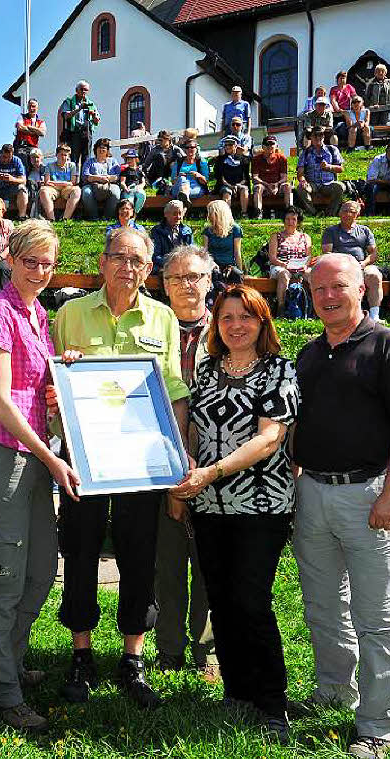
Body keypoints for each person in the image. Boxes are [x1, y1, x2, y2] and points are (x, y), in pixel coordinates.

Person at [290, 253, 390, 759]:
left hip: (371, 495)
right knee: (324, 606)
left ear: (363, 288)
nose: (328, 296)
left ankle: (377, 723)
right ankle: (333, 690)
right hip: (314, 496)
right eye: (318, 287)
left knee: (378, 615)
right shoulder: (309, 354)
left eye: (338, 286)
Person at [52, 227, 189, 709]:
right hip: (84, 462)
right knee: (81, 550)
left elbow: (173, 389)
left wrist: (177, 453)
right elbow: (52, 387)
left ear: (148, 268)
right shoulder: (69, 314)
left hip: (140, 462)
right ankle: (81, 653)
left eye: (137, 260)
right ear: (102, 261)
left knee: (138, 556)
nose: (127, 267)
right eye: (118, 257)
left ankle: (133, 655)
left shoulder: (163, 318)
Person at [170, 284, 299, 744]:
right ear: (216, 325)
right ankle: (238, 690)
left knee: (251, 600)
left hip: (261, 504)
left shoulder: (279, 371)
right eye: (226, 318)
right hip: (208, 506)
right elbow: (189, 428)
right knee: (221, 599)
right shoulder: (205, 371)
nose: (236, 325)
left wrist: (213, 472)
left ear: (263, 321)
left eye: (246, 316)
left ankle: (272, 701)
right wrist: (186, 470)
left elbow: (270, 439)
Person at [0, 219, 77, 734]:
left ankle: (7, 662)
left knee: (40, 569)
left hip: (37, 453)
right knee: (5, 574)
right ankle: (0, 690)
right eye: (30, 260)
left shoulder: (39, 314)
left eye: (47, 263)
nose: (39, 270)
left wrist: (65, 380)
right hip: (4, 452)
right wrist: (50, 455)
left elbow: (38, 391)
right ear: (10, 259)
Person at [154, 245, 216, 679]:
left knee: (211, 559)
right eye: (176, 278)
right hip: (159, 458)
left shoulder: (232, 326)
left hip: (218, 463)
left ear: (209, 281)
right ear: (163, 284)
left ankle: (207, 648)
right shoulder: (152, 326)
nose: (186, 285)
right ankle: (169, 648)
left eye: (194, 276)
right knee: (167, 558)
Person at [322, 201, 383, 320]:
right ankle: (349, 314)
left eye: (352, 211)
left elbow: (373, 253)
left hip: (362, 264)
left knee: (374, 275)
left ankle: (374, 315)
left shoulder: (365, 230)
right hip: (339, 266)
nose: (347, 214)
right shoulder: (331, 231)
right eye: (344, 210)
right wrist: (345, 265)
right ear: (339, 213)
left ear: (357, 214)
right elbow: (327, 253)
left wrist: (364, 263)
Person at [267, 206, 313, 315]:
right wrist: (283, 264)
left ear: (298, 222)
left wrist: (305, 266)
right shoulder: (276, 236)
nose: (290, 222)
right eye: (287, 219)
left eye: (293, 219)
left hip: (300, 267)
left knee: (311, 274)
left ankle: (314, 307)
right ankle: (281, 307)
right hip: (281, 266)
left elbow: (309, 256)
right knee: (284, 274)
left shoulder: (305, 237)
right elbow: (272, 258)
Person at [294, 127, 344, 217]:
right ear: (311, 138)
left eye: (320, 135)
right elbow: (300, 173)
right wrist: (303, 180)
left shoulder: (332, 150)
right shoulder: (305, 152)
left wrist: (329, 167)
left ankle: (330, 214)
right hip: (312, 184)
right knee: (300, 188)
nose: (318, 138)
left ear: (324, 137)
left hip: (328, 183)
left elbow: (340, 169)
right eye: (315, 135)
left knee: (340, 187)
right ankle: (314, 213)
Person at [58, 80, 100, 168]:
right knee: (73, 158)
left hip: (86, 133)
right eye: (82, 89)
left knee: (86, 158)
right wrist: (79, 109)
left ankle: (83, 180)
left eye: (86, 90)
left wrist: (94, 116)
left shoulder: (90, 104)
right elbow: (66, 116)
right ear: (76, 90)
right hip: (73, 132)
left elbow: (96, 121)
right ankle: (74, 180)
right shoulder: (68, 102)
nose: (84, 91)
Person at [80, 138, 121, 220]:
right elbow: (85, 176)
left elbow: (118, 175)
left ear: (107, 150)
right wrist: (99, 178)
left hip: (110, 184)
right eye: (99, 147)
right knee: (86, 193)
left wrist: (108, 178)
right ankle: (94, 217)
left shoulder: (113, 161)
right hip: (91, 184)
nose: (101, 149)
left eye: (104, 148)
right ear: (95, 149)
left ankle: (108, 217)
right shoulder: (89, 161)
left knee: (116, 193)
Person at [251, 135, 292, 218]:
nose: (270, 146)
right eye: (267, 144)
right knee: (258, 187)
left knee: (287, 186)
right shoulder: (256, 159)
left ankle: (289, 211)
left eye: (272, 144)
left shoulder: (282, 158)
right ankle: (258, 212)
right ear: (263, 146)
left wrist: (277, 184)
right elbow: (255, 177)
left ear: (276, 146)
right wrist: (266, 184)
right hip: (263, 185)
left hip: (278, 185)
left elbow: (284, 177)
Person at [39, 143, 81, 221]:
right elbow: (47, 182)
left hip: (67, 189)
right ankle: (51, 219)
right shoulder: (49, 165)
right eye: (61, 154)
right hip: (53, 189)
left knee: (77, 190)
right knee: (43, 191)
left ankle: (65, 219)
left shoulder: (72, 166)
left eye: (65, 155)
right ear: (56, 155)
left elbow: (73, 182)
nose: (63, 157)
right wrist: (65, 183)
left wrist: (55, 182)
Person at [150, 199, 193, 273]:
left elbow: (191, 252)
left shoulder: (187, 231)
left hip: (182, 265)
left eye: (180, 213)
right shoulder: (157, 231)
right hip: (164, 265)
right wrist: (172, 264)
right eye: (175, 214)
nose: (178, 217)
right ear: (166, 214)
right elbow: (155, 255)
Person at [213, 136, 250, 216]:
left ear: (236, 146)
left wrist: (238, 185)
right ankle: (227, 216)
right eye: (225, 145)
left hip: (240, 184)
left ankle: (244, 213)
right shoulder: (220, 160)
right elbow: (220, 177)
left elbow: (246, 177)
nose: (227, 147)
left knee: (244, 190)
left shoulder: (244, 159)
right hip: (225, 185)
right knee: (227, 192)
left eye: (230, 145)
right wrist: (230, 186)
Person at [203, 199, 243, 273]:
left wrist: (241, 271)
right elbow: (205, 252)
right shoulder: (207, 230)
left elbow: (237, 253)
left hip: (229, 266)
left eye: (211, 213)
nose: (208, 216)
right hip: (213, 265)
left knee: (236, 274)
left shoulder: (235, 229)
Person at [171, 140, 210, 208]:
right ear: (185, 149)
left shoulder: (201, 162)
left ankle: (184, 197)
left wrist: (199, 176)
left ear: (196, 148)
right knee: (182, 179)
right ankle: (184, 194)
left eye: (192, 147)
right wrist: (178, 177)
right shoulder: (179, 162)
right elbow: (173, 182)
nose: (189, 149)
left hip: (195, 187)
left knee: (182, 194)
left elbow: (205, 182)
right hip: (179, 186)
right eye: (187, 147)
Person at [143, 130, 183, 196]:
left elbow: (184, 160)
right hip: (156, 174)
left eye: (161, 140)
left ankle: (172, 181)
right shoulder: (155, 149)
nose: (159, 142)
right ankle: (160, 181)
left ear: (168, 139)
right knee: (160, 156)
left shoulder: (176, 149)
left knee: (179, 157)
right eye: (159, 140)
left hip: (170, 173)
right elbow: (146, 164)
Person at [13, 99, 47, 168]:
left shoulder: (41, 122)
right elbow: (20, 128)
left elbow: (42, 133)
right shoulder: (21, 117)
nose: (31, 108)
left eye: (33, 106)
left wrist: (29, 127)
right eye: (29, 106)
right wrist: (36, 131)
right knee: (22, 168)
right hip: (21, 147)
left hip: (33, 148)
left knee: (34, 168)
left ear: (37, 108)